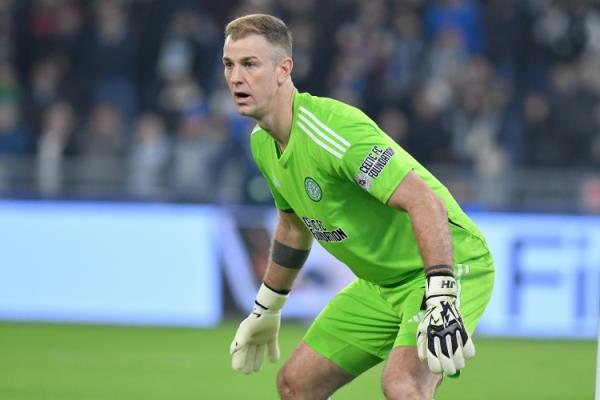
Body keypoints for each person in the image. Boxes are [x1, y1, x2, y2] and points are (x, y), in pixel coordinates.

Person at [224, 14, 494, 400]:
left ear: (284, 70)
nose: (236, 77)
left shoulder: (332, 131)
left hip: (446, 265)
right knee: (295, 385)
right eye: (229, 64)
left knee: (403, 386)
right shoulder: (261, 143)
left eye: (250, 64)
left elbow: (424, 201)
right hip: (381, 285)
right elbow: (293, 226)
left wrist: (441, 294)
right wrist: (267, 307)